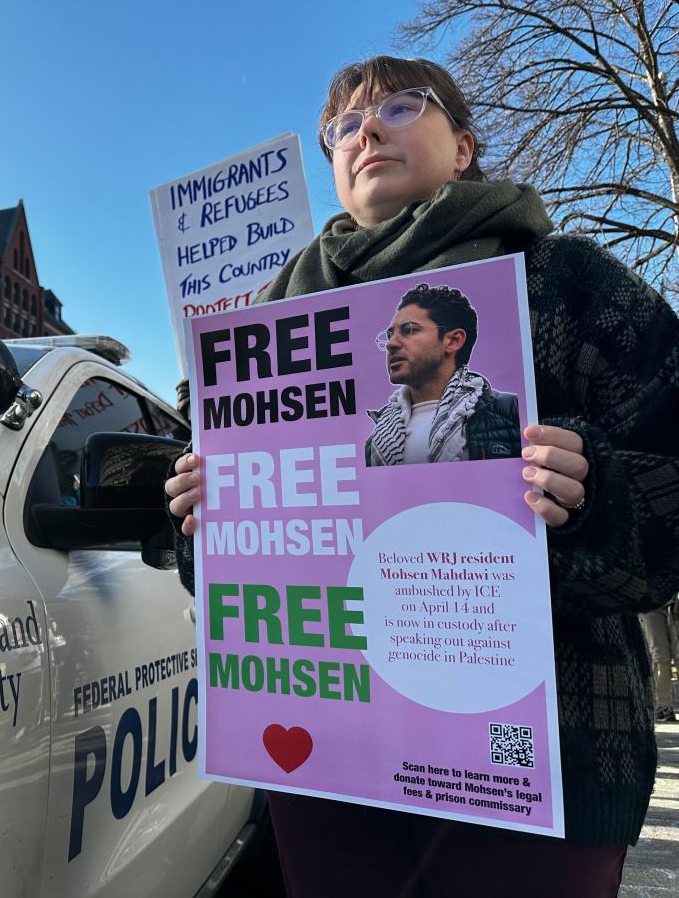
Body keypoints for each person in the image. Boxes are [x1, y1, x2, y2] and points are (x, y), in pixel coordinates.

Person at [165, 55, 679, 897]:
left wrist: (596, 496)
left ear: (465, 145)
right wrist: (202, 520)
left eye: (400, 107)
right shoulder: (260, 335)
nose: (365, 130)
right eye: (342, 126)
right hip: (331, 770)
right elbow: (246, 571)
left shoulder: (567, 283)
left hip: (537, 775)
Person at [369, 282, 519, 465]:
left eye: (409, 330)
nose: (391, 344)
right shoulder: (378, 436)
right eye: (390, 334)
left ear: (453, 341)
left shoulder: (510, 412)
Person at [642, 597, 677, 722]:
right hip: (651, 604)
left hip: (675, 603)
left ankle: (663, 706)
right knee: (660, 656)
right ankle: (663, 706)